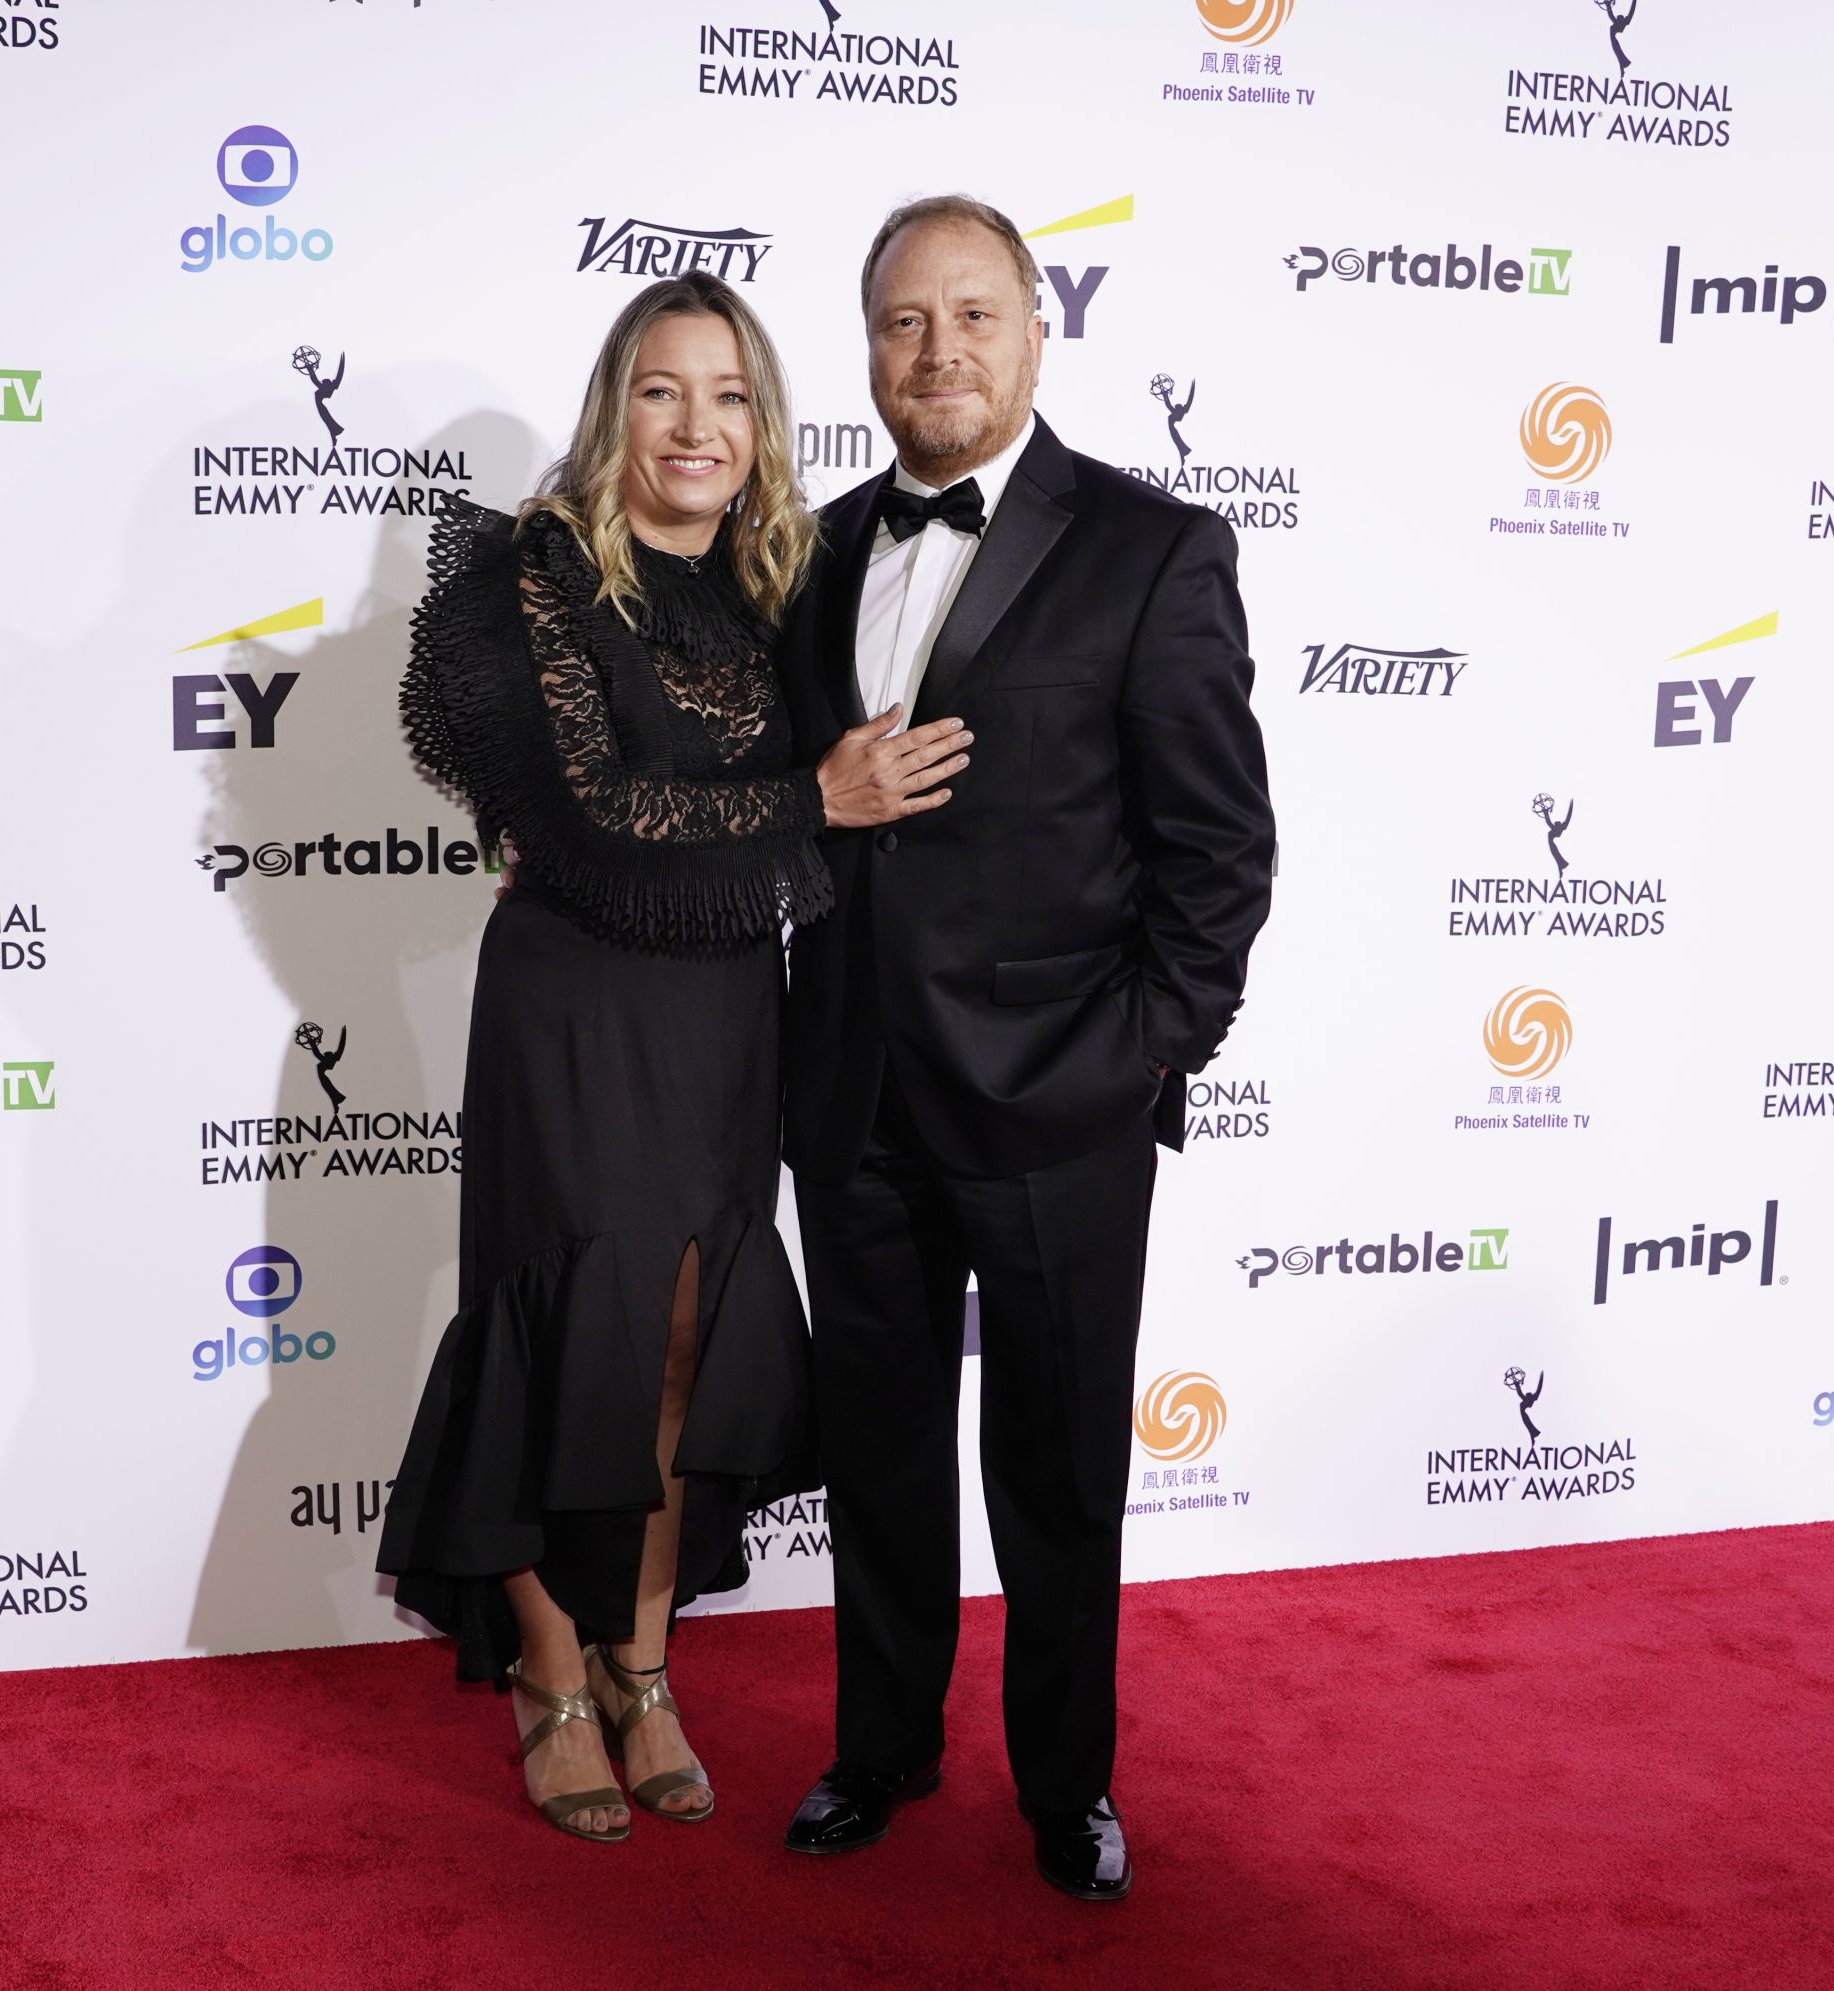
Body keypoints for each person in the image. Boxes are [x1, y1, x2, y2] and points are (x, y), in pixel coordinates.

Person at [375, 271, 969, 1844]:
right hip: (574, 1007)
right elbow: (582, 816)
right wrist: (807, 805)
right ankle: (549, 1676)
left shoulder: (786, 582)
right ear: (613, 406)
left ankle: (643, 1661)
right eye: (661, 390)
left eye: (727, 396)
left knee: (686, 1342)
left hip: (723, 1010)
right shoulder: (540, 575)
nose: (695, 426)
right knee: (575, 1327)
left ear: (762, 422)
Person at [774, 196, 1277, 1901]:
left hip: (1062, 1100)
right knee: (884, 1458)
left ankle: (1068, 1781)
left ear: (1037, 332)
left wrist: (1145, 1052)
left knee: (1060, 1473)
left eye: (974, 316)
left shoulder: (1154, 547)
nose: (941, 352)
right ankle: (883, 1749)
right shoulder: (814, 549)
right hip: (850, 1095)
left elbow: (1219, 849)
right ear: (867, 348)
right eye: (907, 321)